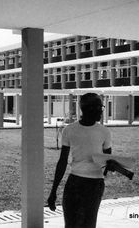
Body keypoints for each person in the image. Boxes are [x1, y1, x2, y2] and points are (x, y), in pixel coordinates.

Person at [47, 93, 112, 228]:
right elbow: (62, 161)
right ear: (88, 109)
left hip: (94, 185)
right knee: (70, 224)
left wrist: (109, 167)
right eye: (100, 107)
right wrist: (53, 191)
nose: (101, 111)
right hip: (74, 184)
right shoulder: (69, 130)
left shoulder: (104, 132)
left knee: (88, 225)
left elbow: (107, 161)